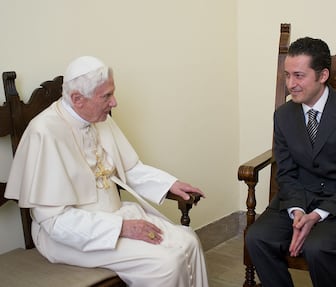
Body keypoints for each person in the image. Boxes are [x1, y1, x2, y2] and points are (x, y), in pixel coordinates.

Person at [5, 56, 209, 287]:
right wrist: (121, 228)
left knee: (189, 240)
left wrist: (168, 183)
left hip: (117, 215)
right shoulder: (44, 132)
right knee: (166, 262)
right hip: (68, 236)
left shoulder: (97, 117)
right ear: (77, 99)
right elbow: (54, 222)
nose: (115, 103)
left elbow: (128, 168)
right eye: (106, 96)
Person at [245, 37, 336, 287]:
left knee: (318, 247)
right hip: (300, 196)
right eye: (287, 75)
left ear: (323, 75)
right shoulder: (283, 115)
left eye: (298, 75)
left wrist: (316, 215)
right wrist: (297, 211)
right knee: (256, 237)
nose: (290, 84)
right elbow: (285, 172)